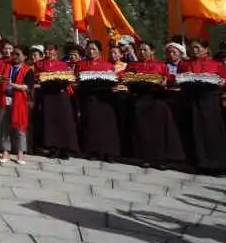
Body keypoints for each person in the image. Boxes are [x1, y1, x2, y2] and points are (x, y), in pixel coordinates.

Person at [125, 41, 185, 169]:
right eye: (140, 50)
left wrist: (165, 81)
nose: (142, 52)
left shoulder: (160, 65)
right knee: (142, 131)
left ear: (152, 51)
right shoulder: (132, 65)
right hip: (140, 100)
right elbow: (126, 79)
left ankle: (161, 159)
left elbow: (168, 79)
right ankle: (145, 157)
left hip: (157, 101)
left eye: (145, 50)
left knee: (159, 132)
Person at [177, 38, 226, 173]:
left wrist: (221, 83)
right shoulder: (185, 64)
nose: (195, 50)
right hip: (192, 101)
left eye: (198, 47)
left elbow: (223, 81)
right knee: (194, 131)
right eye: (192, 48)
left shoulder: (217, 64)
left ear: (205, 49)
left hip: (210, 102)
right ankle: (197, 162)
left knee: (212, 132)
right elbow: (179, 79)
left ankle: (217, 164)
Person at [75, 40, 122, 161]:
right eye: (89, 49)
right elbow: (76, 81)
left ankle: (109, 152)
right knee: (90, 124)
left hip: (104, 99)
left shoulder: (108, 65)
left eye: (94, 49)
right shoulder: (81, 64)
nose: (91, 52)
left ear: (99, 51)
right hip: (88, 98)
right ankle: (92, 151)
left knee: (107, 126)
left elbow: (114, 81)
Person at [34, 43, 79, 159]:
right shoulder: (40, 64)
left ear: (56, 51)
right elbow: (37, 77)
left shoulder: (63, 64)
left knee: (64, 122)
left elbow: (69, 78)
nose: (49, 53)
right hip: (48, 96)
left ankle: (65, 149)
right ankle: (53, 148)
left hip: (61, 95)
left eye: (51, 50)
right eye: (47, 50)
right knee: (50, 123)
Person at [0, 46, 33, 165]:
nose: (15, 56)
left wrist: (12, 84)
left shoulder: (28, 70)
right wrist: (0, 79)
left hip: (19, 101)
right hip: (4, 98)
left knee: (20, 126)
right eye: (14, 54)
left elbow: (26, 87)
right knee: (4, 125)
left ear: (25, 56)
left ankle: (20, 151)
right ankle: (6, 150)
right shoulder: (7, 66)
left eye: (18, 54)